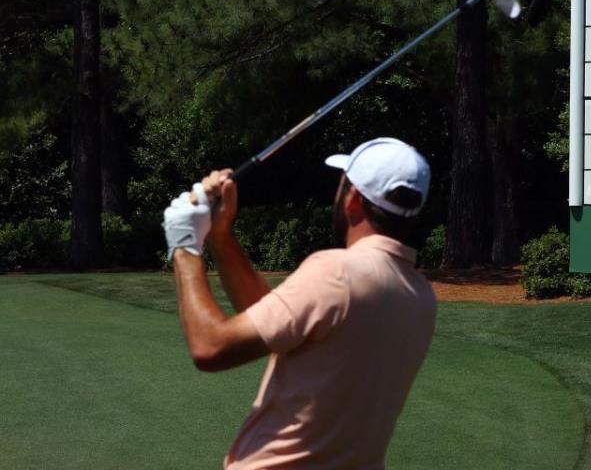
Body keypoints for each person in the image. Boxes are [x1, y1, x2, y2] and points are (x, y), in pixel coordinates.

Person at [162, 137, 437, 469]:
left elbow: (209, 347)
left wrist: (185, 245)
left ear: (351, 199)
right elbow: (275, 319)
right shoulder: (421, 296)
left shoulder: (337, 273)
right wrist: (220, 236)